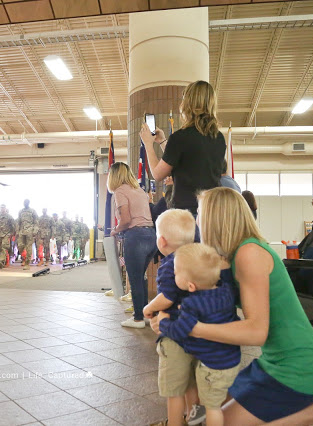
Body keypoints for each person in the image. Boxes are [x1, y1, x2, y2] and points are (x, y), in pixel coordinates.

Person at [150, 187, 313, 425]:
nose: (198, 221)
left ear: (214, 219)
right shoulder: (234, 254)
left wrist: (190, 328)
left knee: (221, 422)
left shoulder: (249, 253)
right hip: (271, 362)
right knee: (205, 412)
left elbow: (256, 332)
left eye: (200, 214)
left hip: (298, 368)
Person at [156, 243, 241, 426]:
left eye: (176, 274)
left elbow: (179, 330)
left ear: (191, 286)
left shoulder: (191, 304)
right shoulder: (226, 290)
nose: (174, 276)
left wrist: (163, 322)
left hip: (211, 367)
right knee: (217, 404)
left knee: (213, 409)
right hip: (231, 360)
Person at [141, 209, 200, 426]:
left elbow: (167, 297)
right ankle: (194, 420)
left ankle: (174, 423)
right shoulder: (197, 259)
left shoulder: (169, 264)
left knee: (174, 388)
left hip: (175, 335)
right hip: (197, 331)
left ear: (162, 240)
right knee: (191, 382)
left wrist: (149, 307)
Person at [140, 80, 226, 217]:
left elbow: (157, 174)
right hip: (212, 210)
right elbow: (187, 159)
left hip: (186, 212)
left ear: (187, 103)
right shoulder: (219, 138)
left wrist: (148, 144)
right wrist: (162, 141)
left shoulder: (180, 137)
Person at [108, 162, 157, 329]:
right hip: (151, 235)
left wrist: (115, 230)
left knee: (135, 279)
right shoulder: (139, 190)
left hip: (136, 237)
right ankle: (145, 315)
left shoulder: (120, 191)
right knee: (141, 277)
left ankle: (138, 319)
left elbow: (126, 219)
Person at [16, 199, 38, 270]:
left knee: (29, 247)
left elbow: (36, 222)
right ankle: (24, 258)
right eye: (24, 202)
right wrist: (17, 231)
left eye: (26, 202)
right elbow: (18, 222)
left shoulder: (32, 211)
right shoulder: (21, 211)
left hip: (30, 231)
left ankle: (27, 263)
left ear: (28, 203)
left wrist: (35, 231)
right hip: (22, 231)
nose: (25, 203)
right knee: (20, 246)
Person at [0, 204, 15, 269]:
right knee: (0, 248)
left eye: (3, 208)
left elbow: (13, 226)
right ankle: (3, 261)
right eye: (1, 208)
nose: (2, 209)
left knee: (4, 248)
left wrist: (12, 234)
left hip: (6, 235)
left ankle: (1, 260)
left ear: (5, 208)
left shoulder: (9, 217)